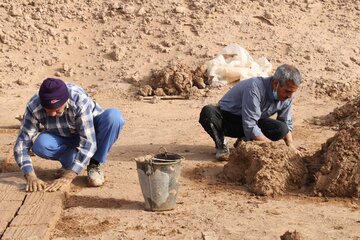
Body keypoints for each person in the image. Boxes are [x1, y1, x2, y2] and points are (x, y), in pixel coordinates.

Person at [14, 78, 125, 192]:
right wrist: (30, 176)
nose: (52, 114)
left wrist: (68, 177)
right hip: (61, 134)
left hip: (91, 130)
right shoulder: (34, 105)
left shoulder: (79, 100)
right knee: (41, 145)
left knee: (114, 117)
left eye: (57, 110)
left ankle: (94, 164)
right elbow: (22, 143)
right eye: (48, 110)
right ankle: (71, 161)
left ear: (65, 101)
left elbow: (88, 142)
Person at [199, 64, 302, 161]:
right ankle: (221, 145)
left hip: (251, 122)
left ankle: (244, 140)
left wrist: (291, 145)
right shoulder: (255, 87)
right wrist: (272, 148)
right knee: (208, 112)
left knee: (281, 129)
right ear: (276, 84)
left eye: (293, 92)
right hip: (228, 119)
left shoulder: (287, 97)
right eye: (288, 91)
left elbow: (286, 122)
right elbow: (250, 125)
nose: (290, 96)